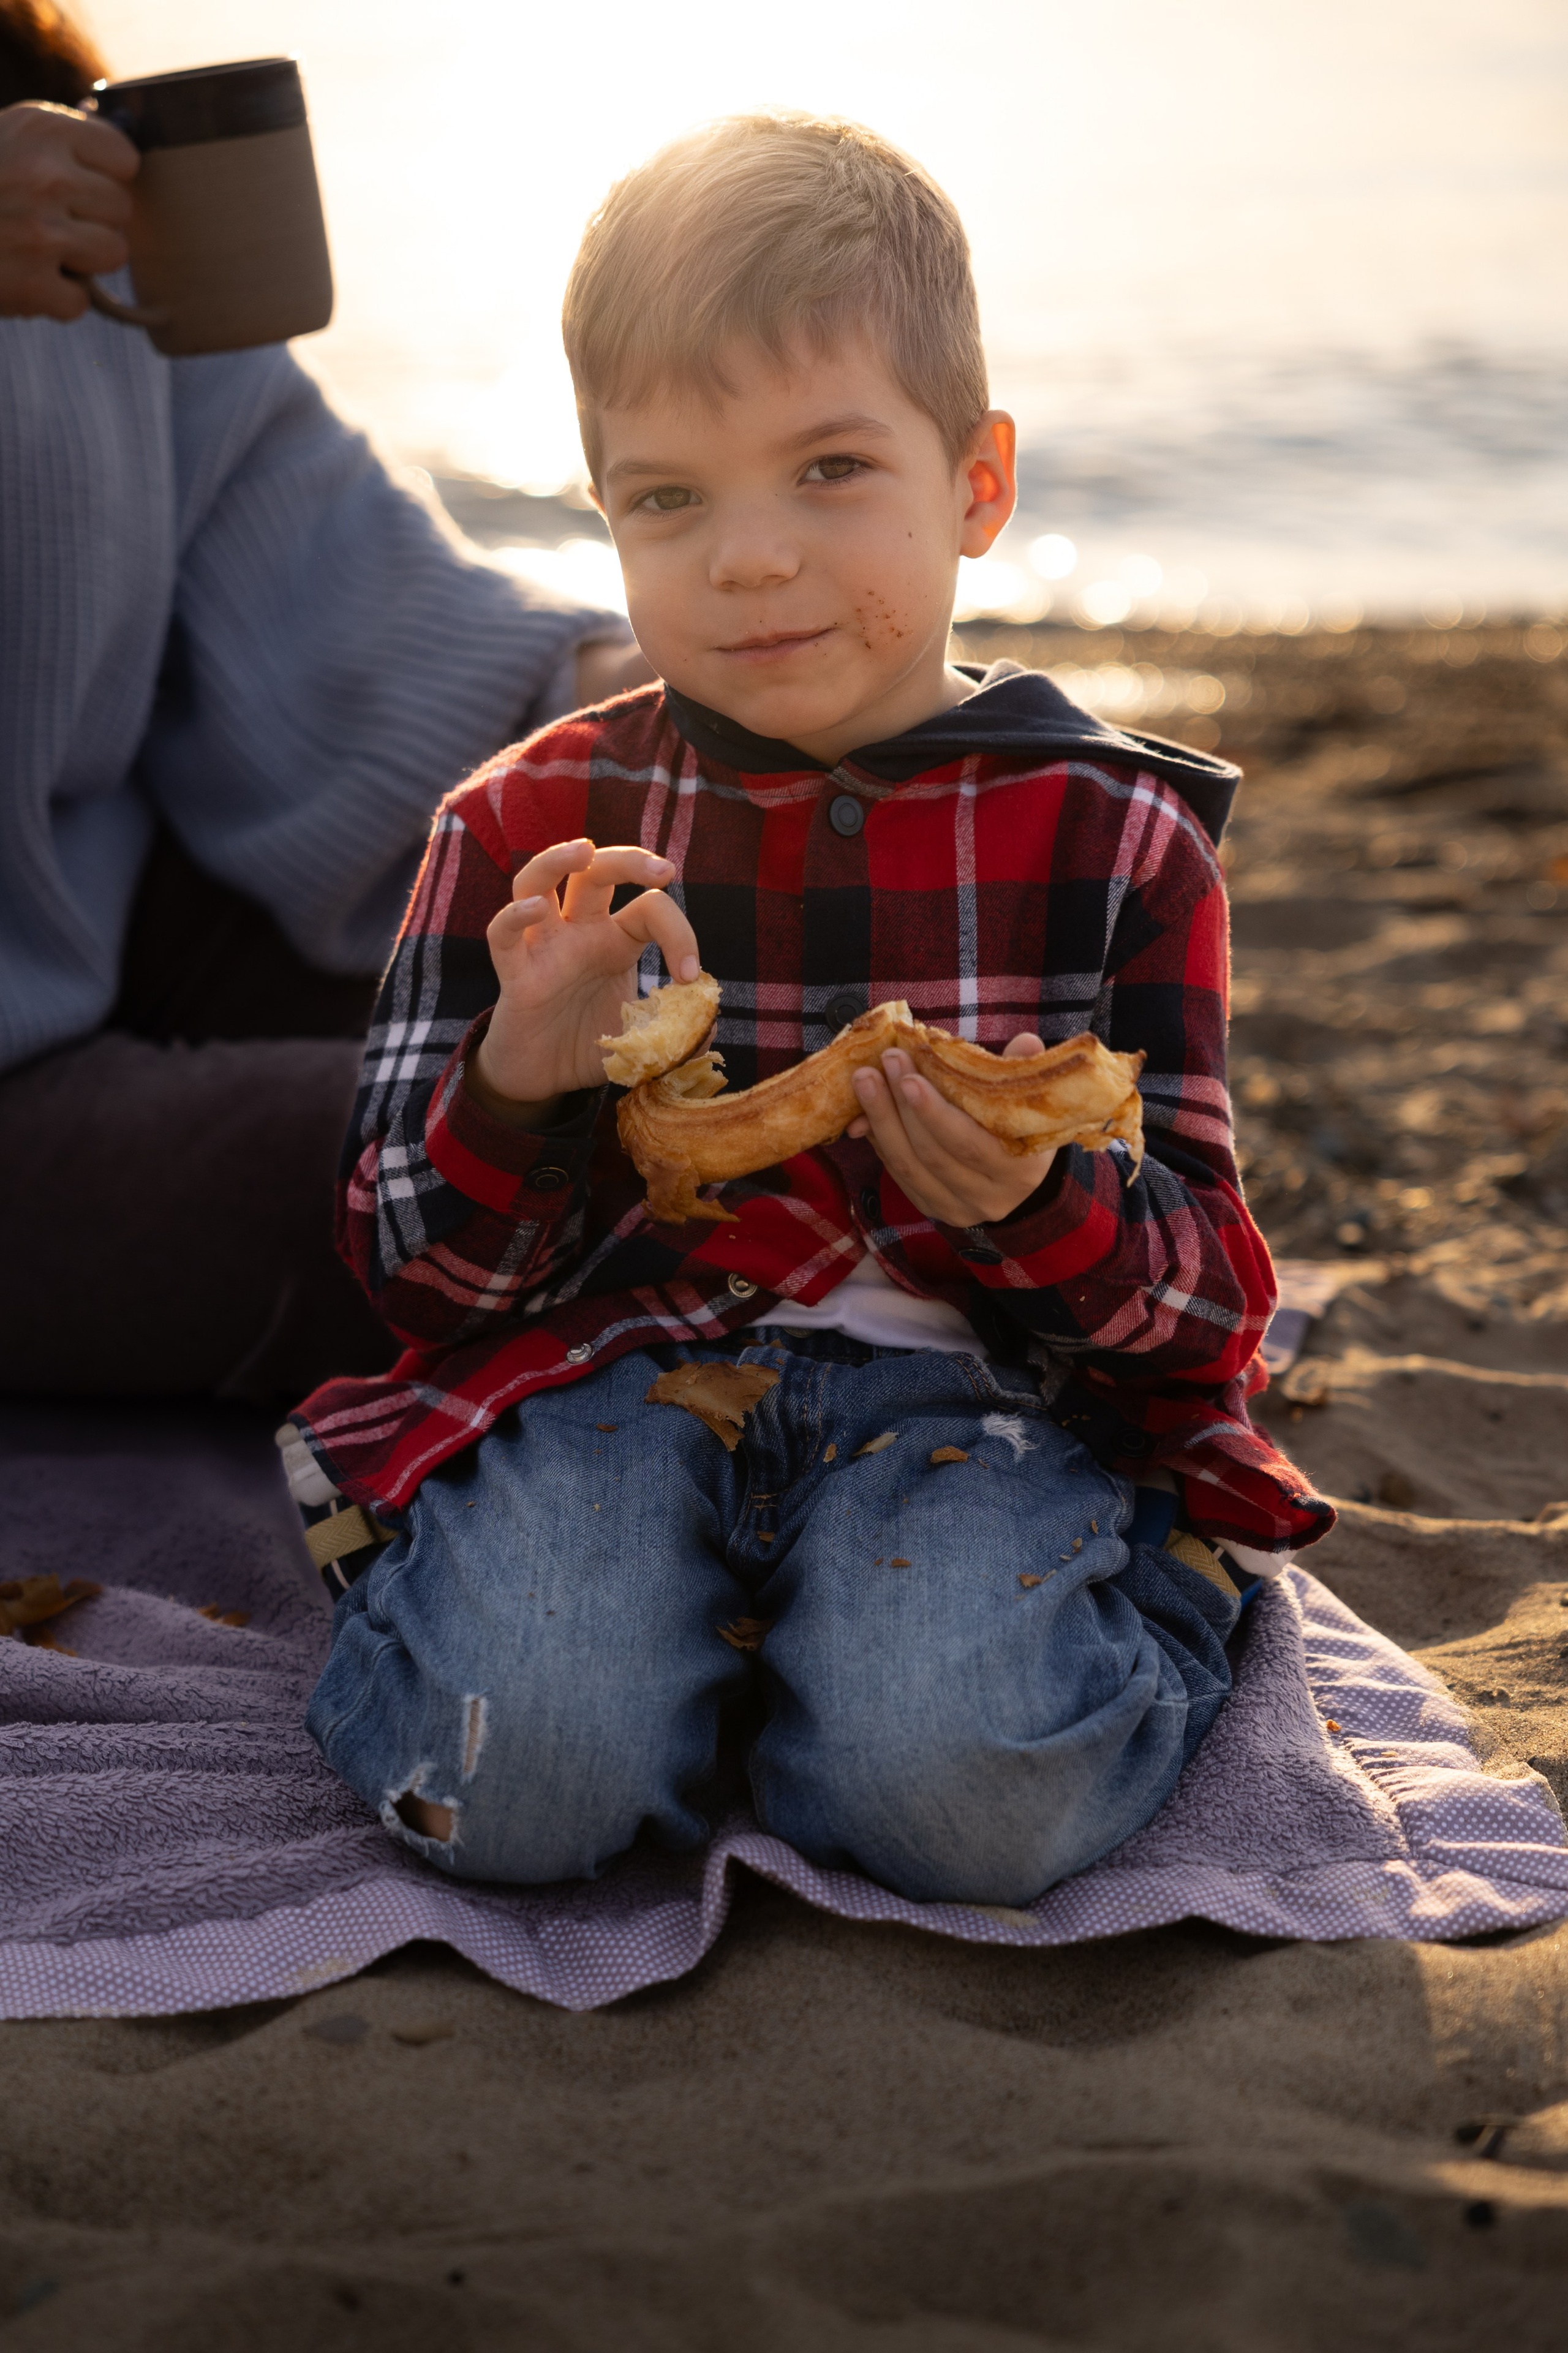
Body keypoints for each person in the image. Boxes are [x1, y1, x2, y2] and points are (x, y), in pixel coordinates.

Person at [287, 113, 1332, 1906]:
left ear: (980, 485)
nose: (748, 558)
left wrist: (1039, 1206)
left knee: (972, 1806)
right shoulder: (527, 831)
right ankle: (620, 1654)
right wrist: (522, 1070)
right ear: (601, 506)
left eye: (830, 468)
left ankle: (1088, 1622)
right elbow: (413, 1279)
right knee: (511, 1789)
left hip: (981, 1397)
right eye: (668, 495)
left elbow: (1206, 1310)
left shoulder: (1118, 835)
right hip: (605, 1380)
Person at [0, 1, 647, 1404]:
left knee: (645, 1014)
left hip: (106, 921)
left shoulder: (69, 152)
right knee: (510, 1178)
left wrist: (653, 691)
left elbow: (309, 546)